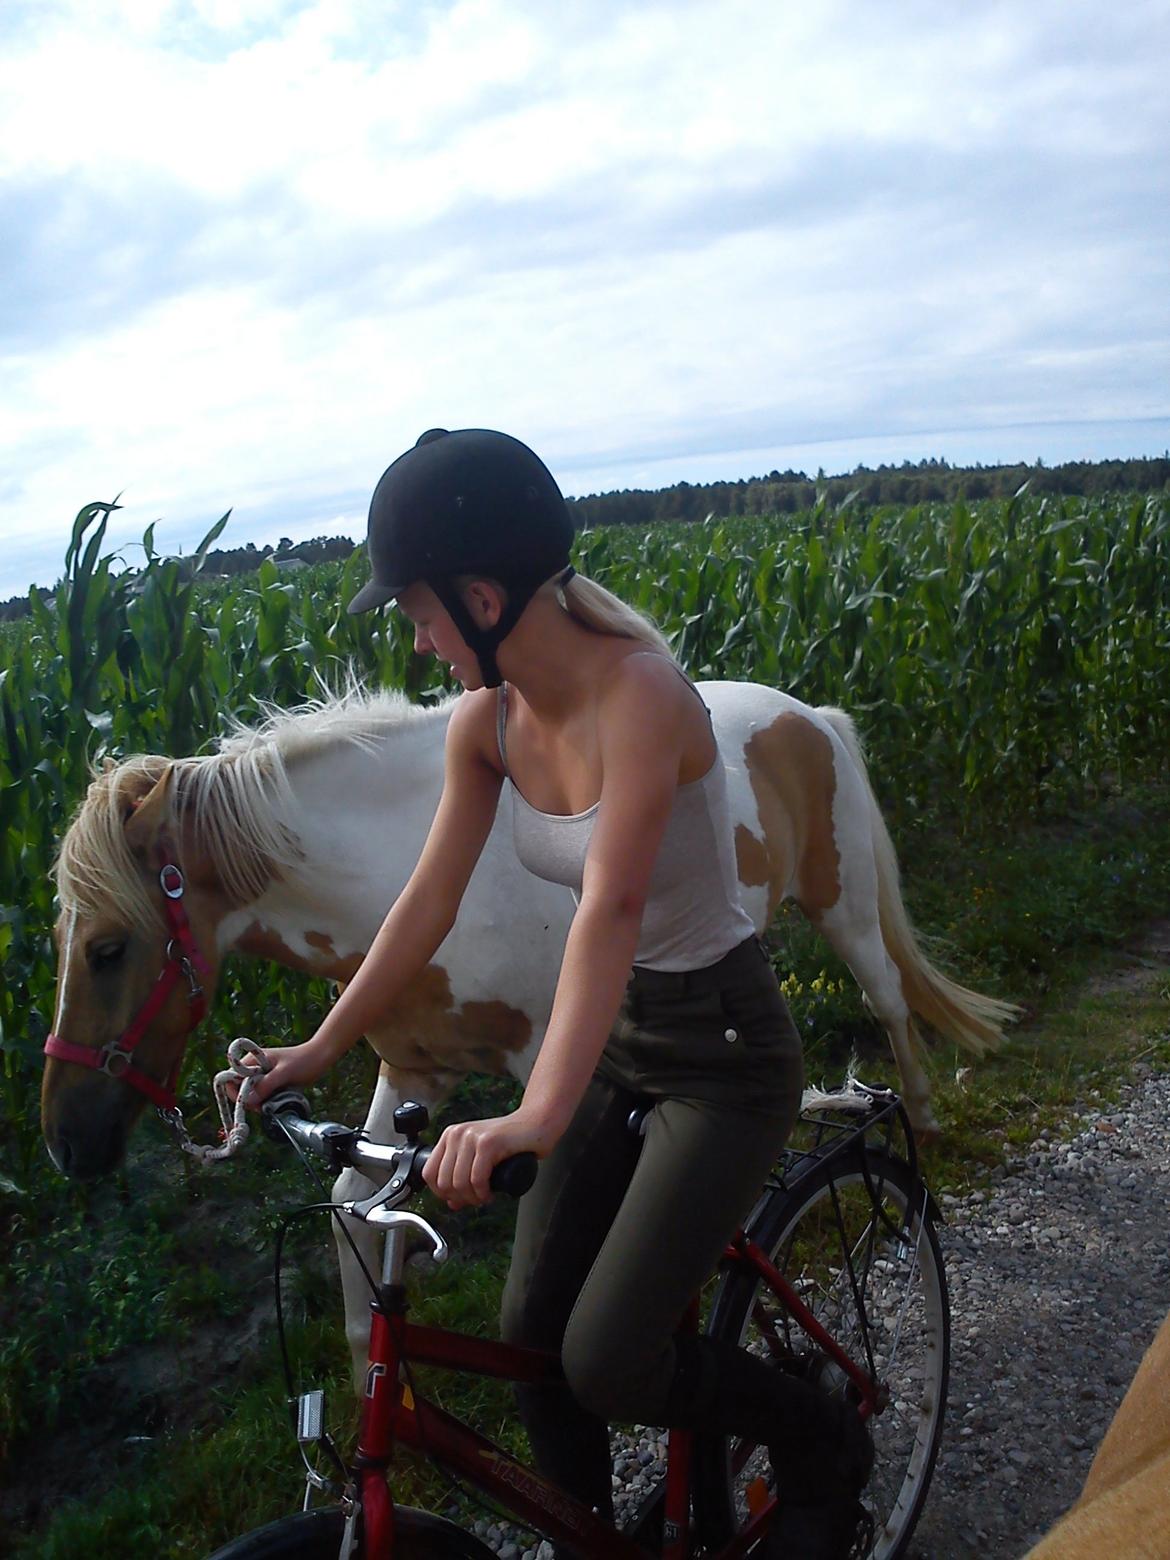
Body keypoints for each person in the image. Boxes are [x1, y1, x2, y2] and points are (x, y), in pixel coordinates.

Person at [247, 427, 871, 1558]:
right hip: (624, 1038)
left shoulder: (641, 695)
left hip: (724, 1054)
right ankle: (597, 1539)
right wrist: (319, 1048)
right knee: (532, 1329)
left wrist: (535, 1113)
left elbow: (610, 913)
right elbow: (424, 906)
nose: (421, 640)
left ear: (483, 596)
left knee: (609, 1357)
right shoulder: (488, 725)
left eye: (422, 613)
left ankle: (823, 1438)